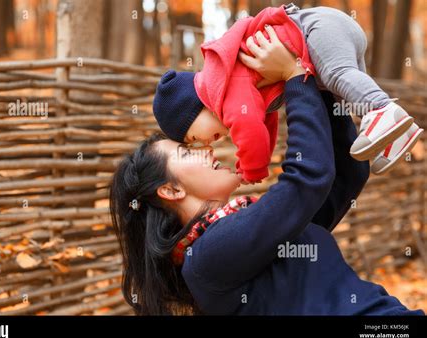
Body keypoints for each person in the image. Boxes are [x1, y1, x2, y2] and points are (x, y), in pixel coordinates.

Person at [109, 34, 424, 316]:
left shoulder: (250, 227)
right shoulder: (206, 260)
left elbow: (347, 174)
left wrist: (322, 80)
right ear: (171, 190)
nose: (207, 150)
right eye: (186, 152)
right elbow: (306, 181)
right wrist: (295, 77)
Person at [152, 5, 423, 183]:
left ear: (195, 108)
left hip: (316, 31)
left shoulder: (222, 90)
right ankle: (400, 135)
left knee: (338, 75)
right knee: (345, 93)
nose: (204, 143)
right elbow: (263, 126)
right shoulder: (237, 91)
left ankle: (382, 109)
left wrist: (252, 169)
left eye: (192, 136)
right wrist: (259, 160)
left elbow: (249, 130)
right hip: (329, 31)